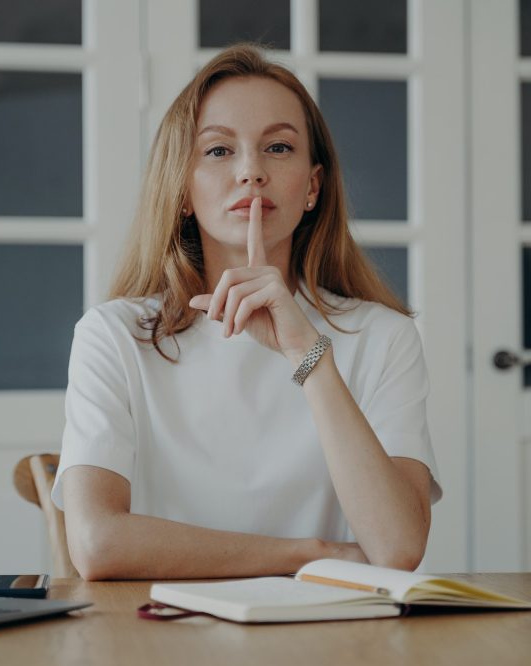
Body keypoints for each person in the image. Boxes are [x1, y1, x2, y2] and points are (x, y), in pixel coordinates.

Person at [50, 44, 442, 580]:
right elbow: (97, 544)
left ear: (312, 187)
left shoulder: (385, 337)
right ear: (182, 190)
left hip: (332, 642)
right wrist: (305, 555)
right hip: (160, 639)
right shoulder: (113, 335)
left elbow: (397, 548)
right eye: (217, 151)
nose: (251, 172)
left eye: (278, 148)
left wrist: (308, 353)